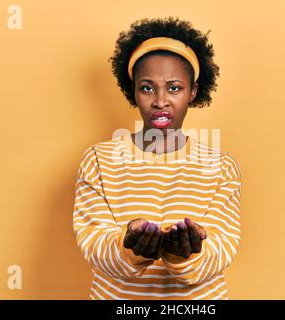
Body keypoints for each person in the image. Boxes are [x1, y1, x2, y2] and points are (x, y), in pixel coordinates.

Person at [73, 17, 242, 300]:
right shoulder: (98, 161)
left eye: (174, 88)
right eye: (147, 88)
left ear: (193, 92)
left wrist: (182, 255)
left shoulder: (221, 166)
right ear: (133, 91)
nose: (160, 101)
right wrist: (129, 249)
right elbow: (93, 243)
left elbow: (223, 248)